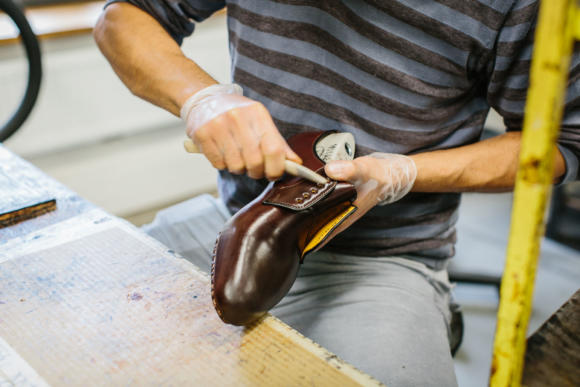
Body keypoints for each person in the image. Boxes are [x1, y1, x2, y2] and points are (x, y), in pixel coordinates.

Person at [94, 1, 580, 385]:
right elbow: (122, 17)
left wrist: (404, 173)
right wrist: (201, 98)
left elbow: (564, 140)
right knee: (88, 327)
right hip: (243, 219)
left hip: (385, 257)